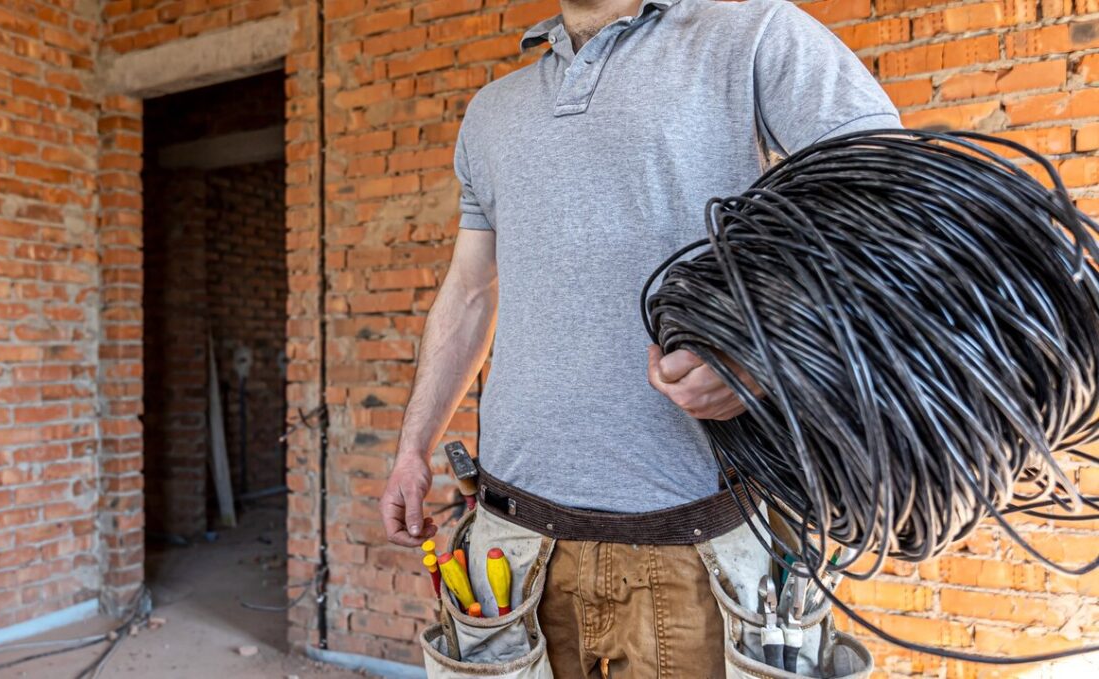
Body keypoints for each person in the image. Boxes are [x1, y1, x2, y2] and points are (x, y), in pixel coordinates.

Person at [380, 0, 901, 676]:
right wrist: (413, 446)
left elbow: (886, 200)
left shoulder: (754, 38)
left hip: (697, 549)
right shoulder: (491, 111)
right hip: (512, 545)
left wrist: (766, 350)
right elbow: (470, 291)